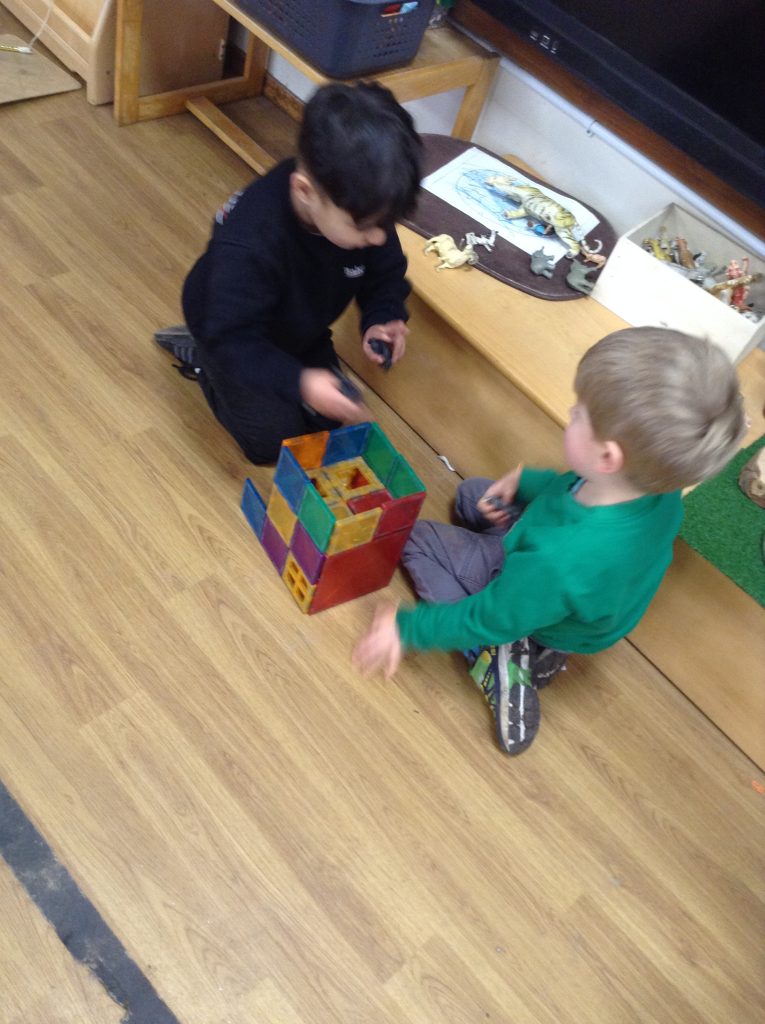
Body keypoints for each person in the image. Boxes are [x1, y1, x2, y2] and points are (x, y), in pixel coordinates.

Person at [353, 327, 747, 756]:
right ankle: (532, 643)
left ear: (608, 457)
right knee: (473, 495)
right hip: (581, 608)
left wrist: (407, 629)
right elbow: (575, 488)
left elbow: (490, 615)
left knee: (417, 539)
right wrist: (526, 483)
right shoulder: (658, 490)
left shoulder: (559, 560)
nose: (570, 412)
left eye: (579, 414)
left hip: (536, 609)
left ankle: (498, 655)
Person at [154, 81, 422, 464]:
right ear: (304, 191)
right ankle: (203, 360)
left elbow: (385, 273)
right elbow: (233, 337)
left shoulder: (360, 208)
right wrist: (302, 383)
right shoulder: (249, 244)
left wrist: (382, 317)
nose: (379, 237)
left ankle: (290, 374)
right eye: (365, 228)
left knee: (330, 423)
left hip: (300, 327)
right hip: (232, 334)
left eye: (387, 223)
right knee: (273, 446)